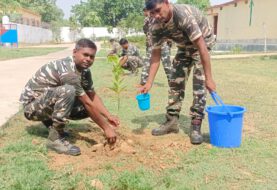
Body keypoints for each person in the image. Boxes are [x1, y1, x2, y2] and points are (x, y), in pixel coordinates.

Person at [19, 39, 120, 156]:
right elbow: (87, 102)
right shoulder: (68, 71)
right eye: (85, 55)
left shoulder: (85, 71)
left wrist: (108, 116)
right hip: (32, 109)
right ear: (74, 52)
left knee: (85, 105)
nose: (88, 59)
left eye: (92, 57)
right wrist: (106, 128)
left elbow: (92, 95)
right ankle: (54, 139)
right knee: (69, 91)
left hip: (46, 102)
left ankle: (52, 125)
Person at [140, 0, 216, 145]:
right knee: (175, 82)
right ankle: (172, 121)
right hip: (184, 47)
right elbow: (156, 54)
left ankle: (195, 125)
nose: (155, 15)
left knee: (199, 86)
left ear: (167, 3)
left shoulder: (182, 15)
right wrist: (148, 82)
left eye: (157, 10)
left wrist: (209, 78)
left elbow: (201, 46)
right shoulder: (155, 24)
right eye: (152, 13)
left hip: (203, 44)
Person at [140, 8, 172, 85]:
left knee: (167, 64)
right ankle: (143, 82)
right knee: (147, 63)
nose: (145, 13)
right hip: (152, 45)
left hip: (162, 44)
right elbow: (145, 31)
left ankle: (172, 83)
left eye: (146, 11)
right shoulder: (147, 20)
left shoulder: (160, 17)